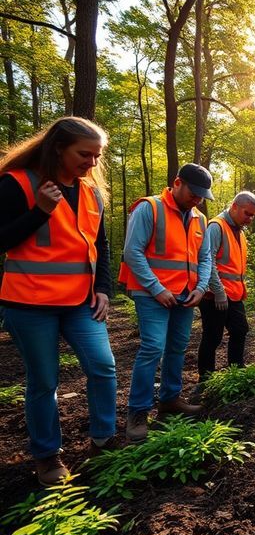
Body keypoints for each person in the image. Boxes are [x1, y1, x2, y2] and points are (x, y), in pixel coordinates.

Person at [0, 117, 116, 485]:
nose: (92, 164)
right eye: (85, 154)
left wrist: (103, 288)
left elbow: (100, 244)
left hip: (81, 302)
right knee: (43, 381)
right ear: (58, 148)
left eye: (97, 156)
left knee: (103, 367)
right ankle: (47, 456)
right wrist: (40, 212)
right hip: (30, 304)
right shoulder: (17, 184)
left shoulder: (90, 193)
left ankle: (102, 441)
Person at [119, 163, 213, 442]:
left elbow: (205, 257)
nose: (197, 199)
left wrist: (201, 287)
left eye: (201, 195)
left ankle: (170, 399)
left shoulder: (199, 219)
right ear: (176, 183)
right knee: (152, 348)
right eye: (193, 193)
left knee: (177, 348)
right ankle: (137, 411)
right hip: (152, 294)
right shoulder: (149, 208)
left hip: (186, 294)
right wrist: (156, 288)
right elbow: (132, 252)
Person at [197, 191, 255, 381]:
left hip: (234, 294)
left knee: (240, 330)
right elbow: (208, 262)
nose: (249, 219)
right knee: (213, 336)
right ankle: (206, 378)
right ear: (234, 206)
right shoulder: (216, 227)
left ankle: (236, 371)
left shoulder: (239, 230)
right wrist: (218, 292)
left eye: (252, 215)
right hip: (215, 295)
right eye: (247, 213)